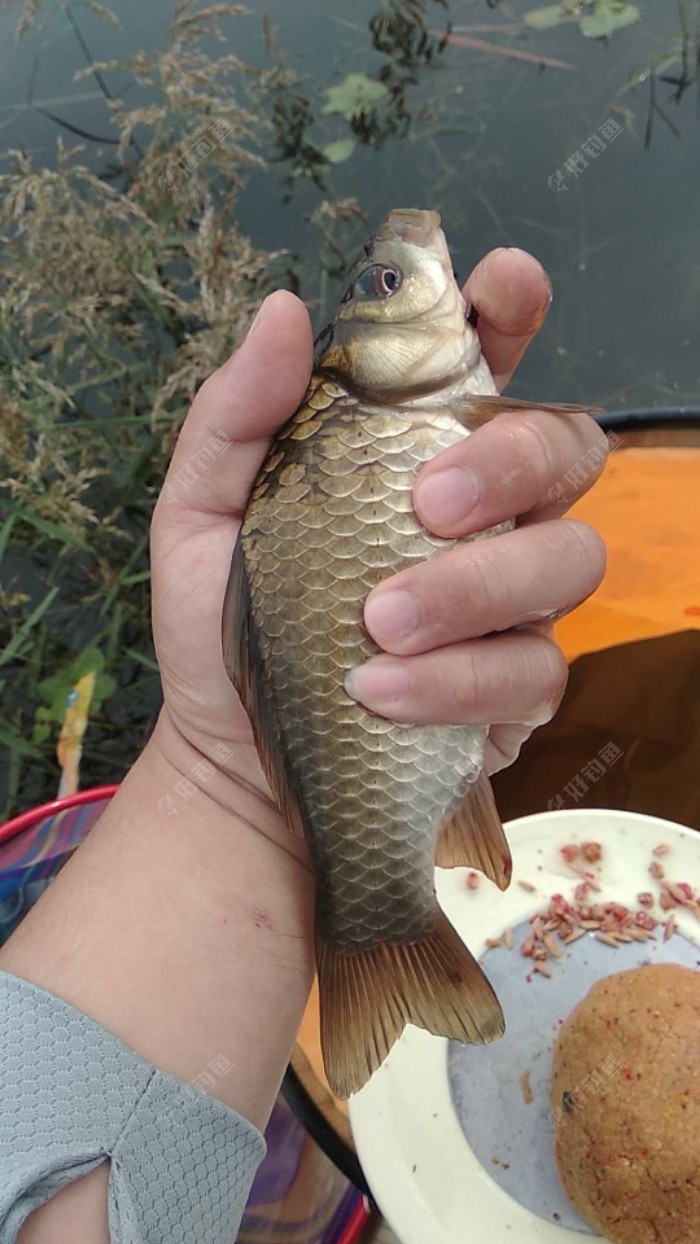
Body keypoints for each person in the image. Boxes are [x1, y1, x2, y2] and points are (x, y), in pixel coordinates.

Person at [0, 248, 606, 1243]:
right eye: (384, 285)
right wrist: (229, 780)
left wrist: (229, 791)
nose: (409, 261)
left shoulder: (365, 408)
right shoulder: (350, 407)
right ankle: (381, 924)